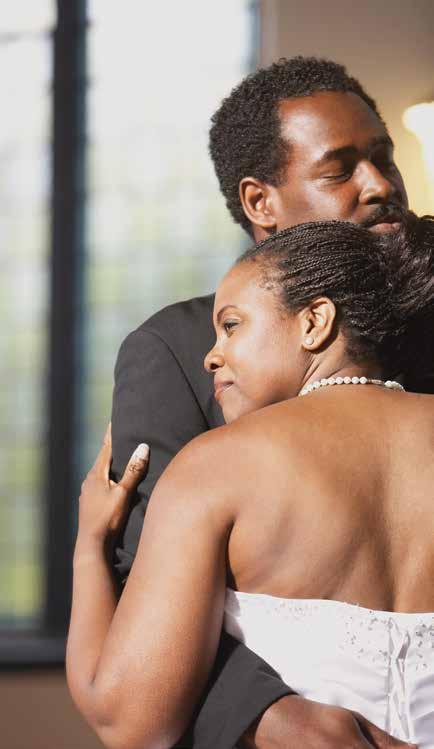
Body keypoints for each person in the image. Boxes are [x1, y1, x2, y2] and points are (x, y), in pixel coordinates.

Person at [110, 56, 416, 748]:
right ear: (261, 203)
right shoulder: (176, 350)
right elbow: (145, 592)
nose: (379, 185)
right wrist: (280, 719)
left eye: (383, 159)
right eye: (340, 169)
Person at [67, 215, 434, 749]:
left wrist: (88, 545)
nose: (211, 355)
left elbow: (129, 723)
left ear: (315, 322)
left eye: (232, 325)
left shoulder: (214, 468)